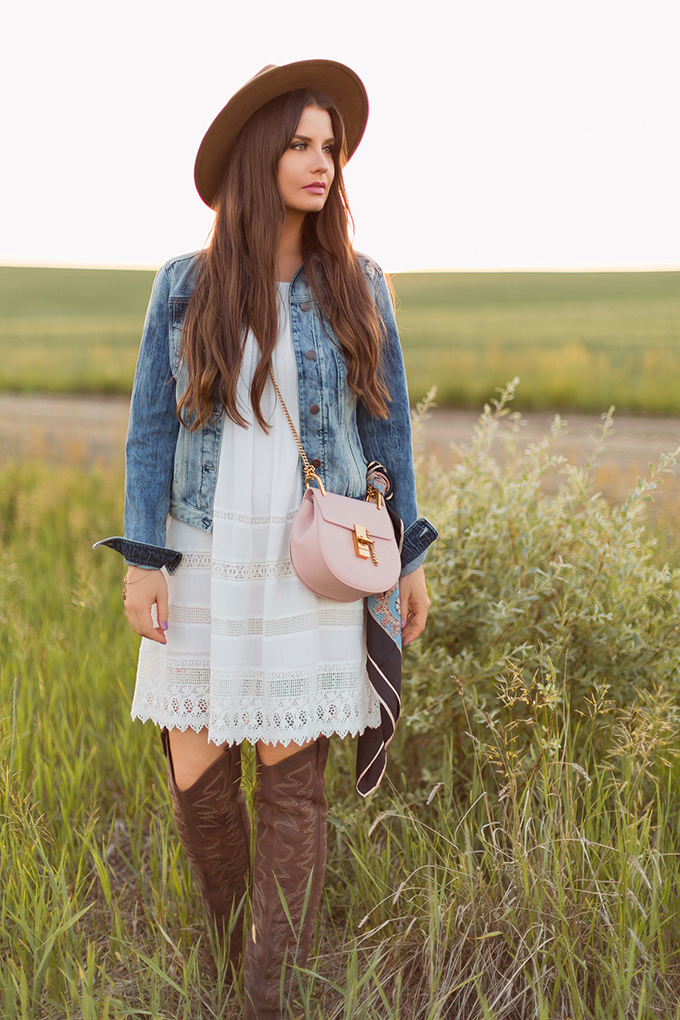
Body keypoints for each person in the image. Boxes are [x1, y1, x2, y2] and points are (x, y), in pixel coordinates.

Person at [95, 59, 437, 1019]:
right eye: (300, 143)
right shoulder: (185, 284)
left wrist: (404, 563)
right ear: (258, 154)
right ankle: (225, 950)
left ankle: (265, 995)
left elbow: (389, 430)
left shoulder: (358, 284)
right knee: (196, 767)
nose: (323, 162)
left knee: (293, 783)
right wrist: (143, 563)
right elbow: (151, 432)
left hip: (309, 559)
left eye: (331, 148)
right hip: (202, 550)